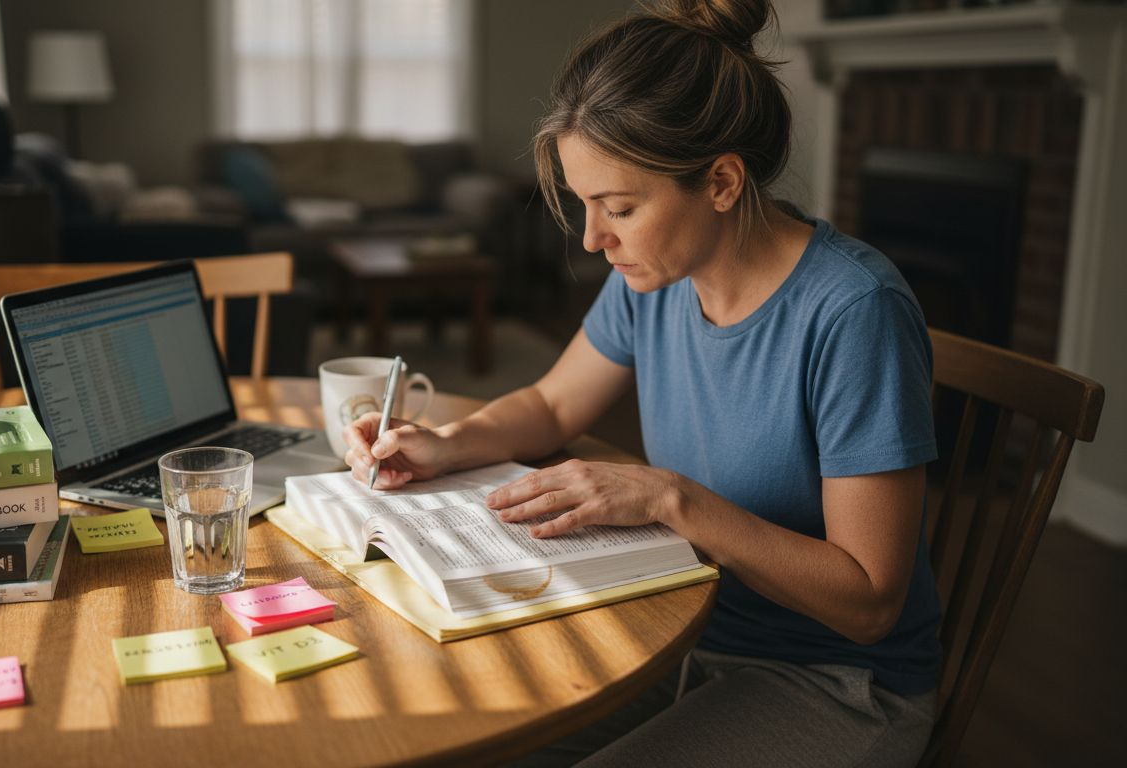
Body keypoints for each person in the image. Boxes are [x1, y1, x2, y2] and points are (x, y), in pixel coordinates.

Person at [342, 0, 940, 765]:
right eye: (585, 205)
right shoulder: (655, 279)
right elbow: (554, 402)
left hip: (835, 682)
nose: (594, 240)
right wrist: (446, 444)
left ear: (722, 181)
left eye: (618, 207)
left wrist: (669, 498)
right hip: (677, 630)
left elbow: (868, 604)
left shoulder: (854, 313)